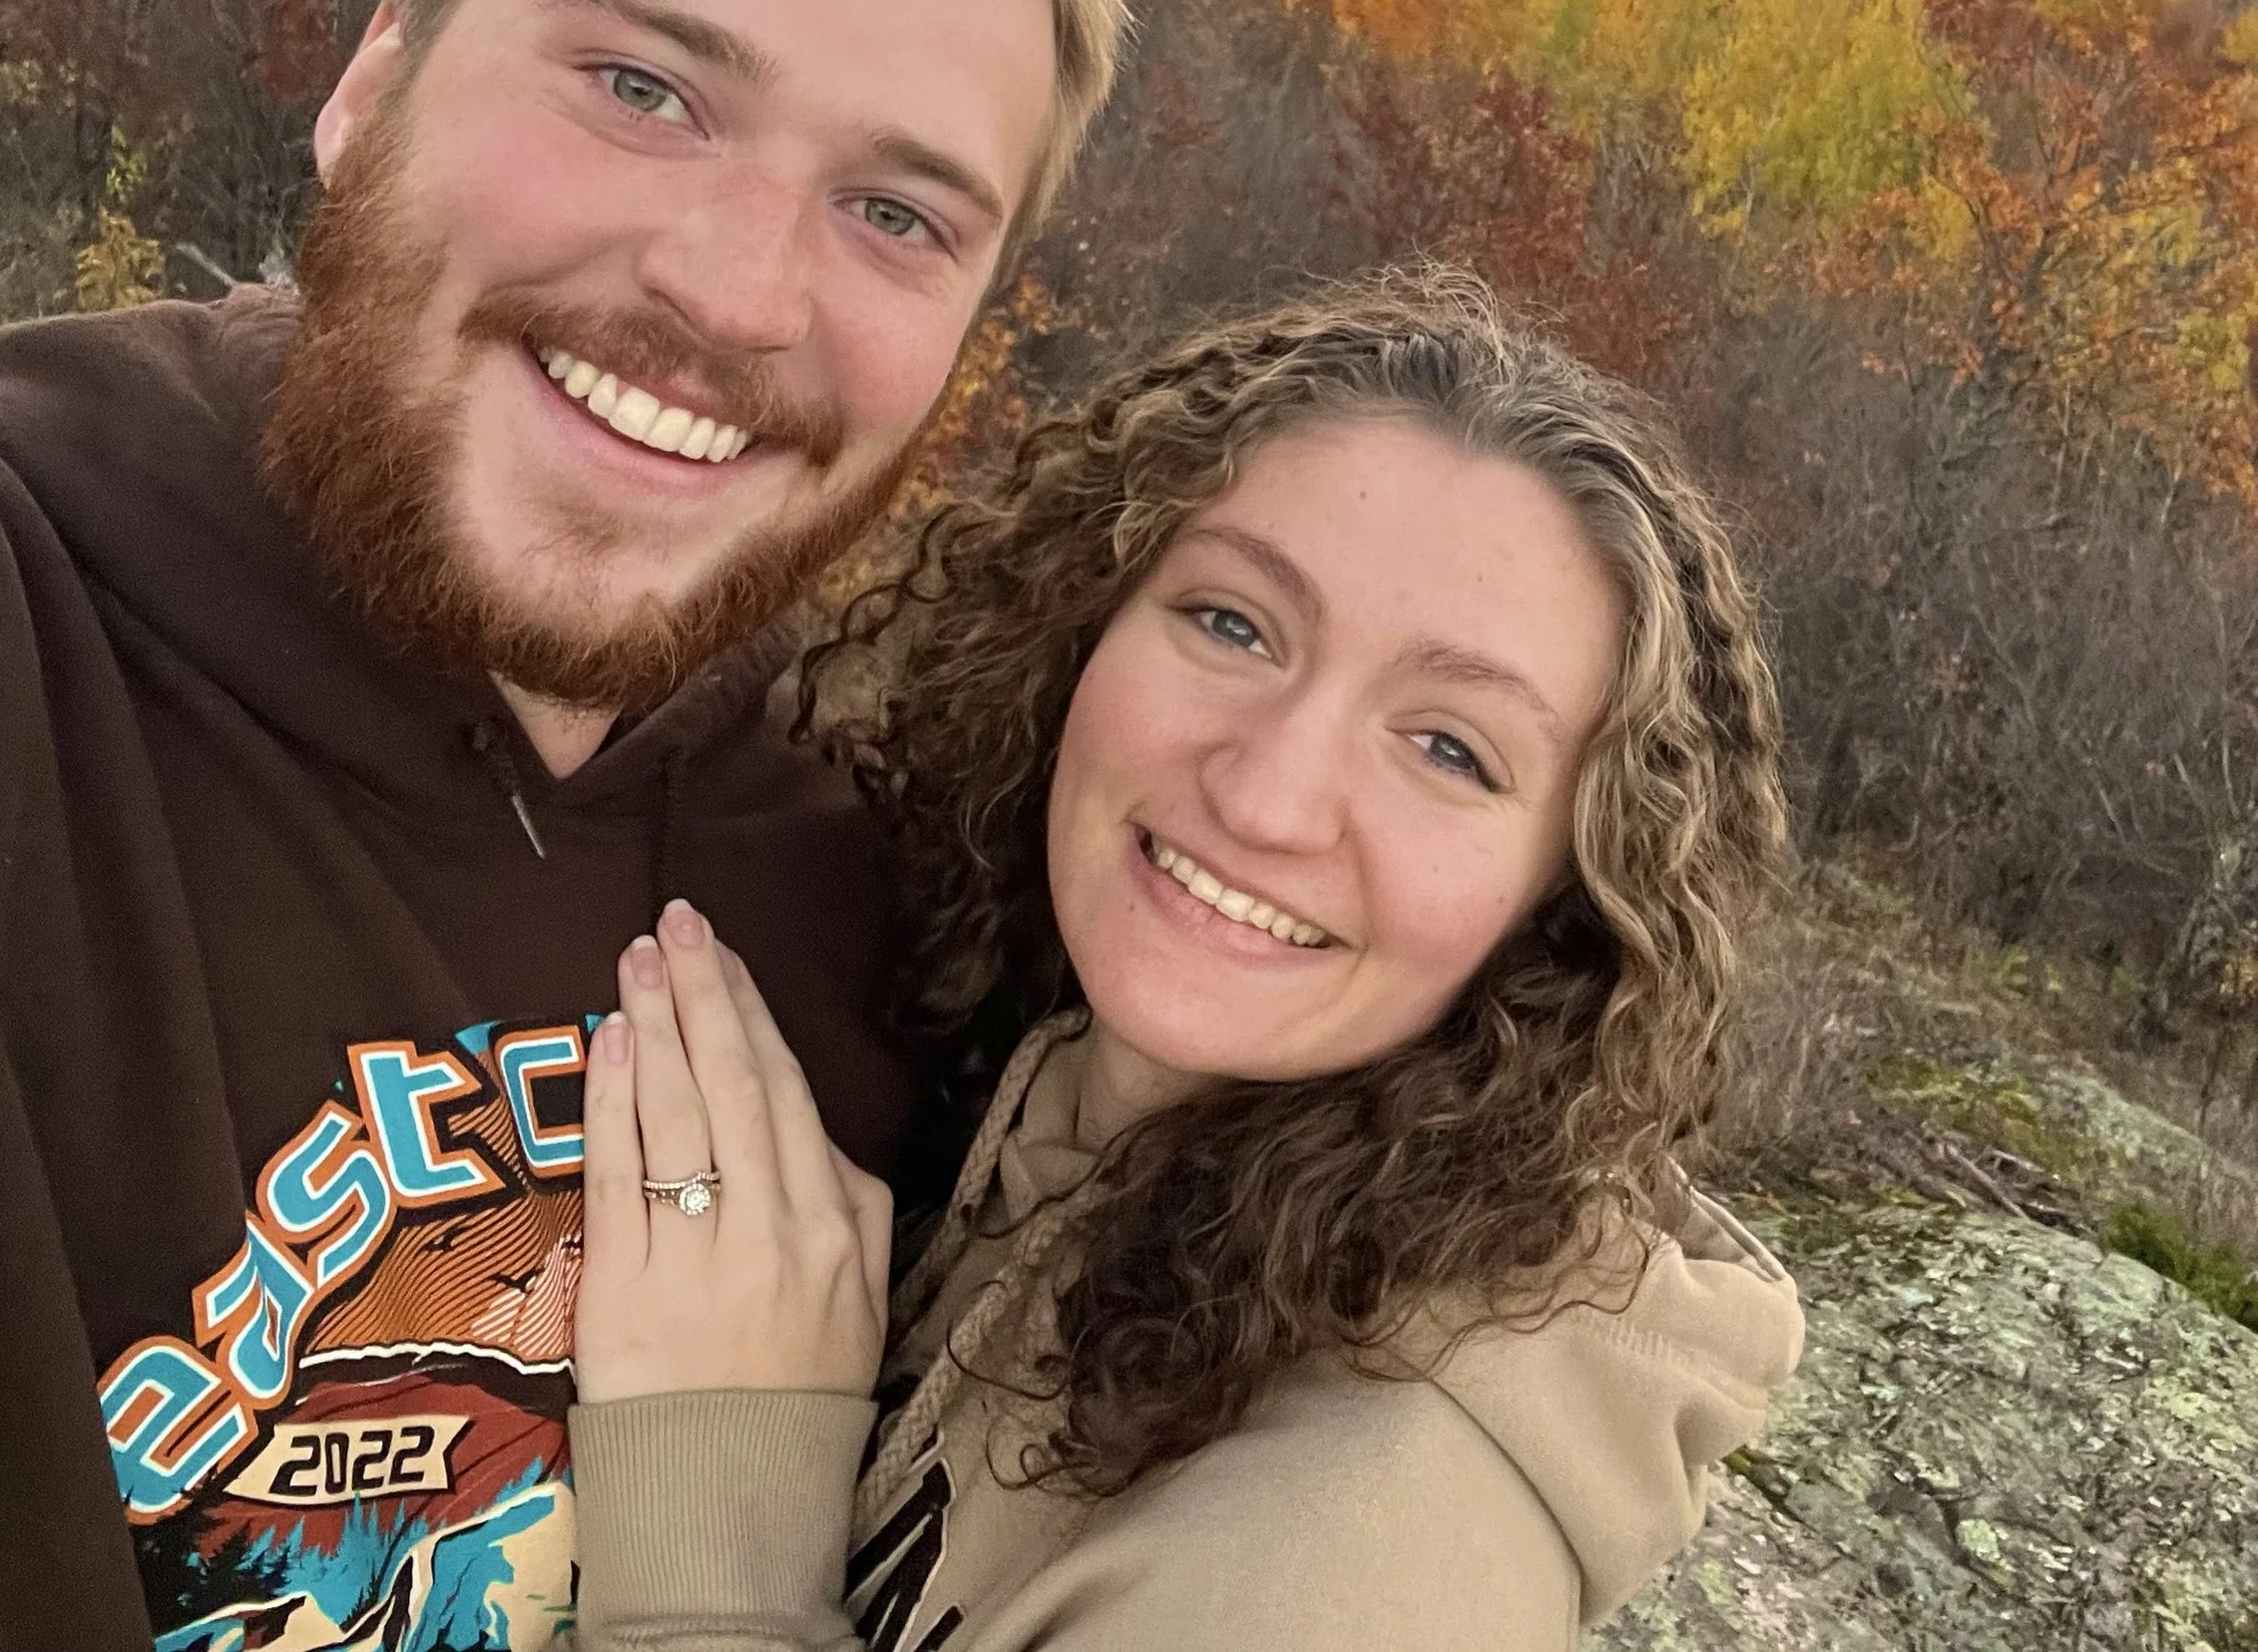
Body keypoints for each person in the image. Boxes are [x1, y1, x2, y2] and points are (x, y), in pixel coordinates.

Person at [0, 0, 1132, 1652]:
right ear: (371, 84)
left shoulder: (914, 874)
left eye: (895, 211)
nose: (736, 292)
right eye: (641, 88)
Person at [564, 268, 1804, 1649]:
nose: (1268, 795)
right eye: (1233, 622)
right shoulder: (1029, 1086)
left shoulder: (1354, 1573)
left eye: (1449, 747)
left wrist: (710, 1570)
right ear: (1080, 620)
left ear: (1563, 900)